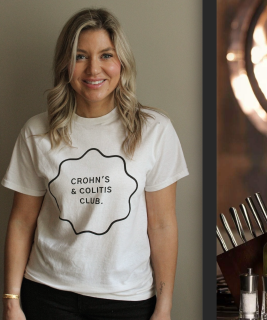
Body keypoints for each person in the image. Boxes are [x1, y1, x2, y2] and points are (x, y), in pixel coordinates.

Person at [2, 8, 188, 320]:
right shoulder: (37, 132)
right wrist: (11, 302)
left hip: (128, 300)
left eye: (105, 55)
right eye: (80, 56)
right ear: (65, 64)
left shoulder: (154, 130)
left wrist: (164, 306)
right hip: (48, 296)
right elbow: (21, 222)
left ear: (121, 63)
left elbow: (162, 225)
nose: (93, 69)